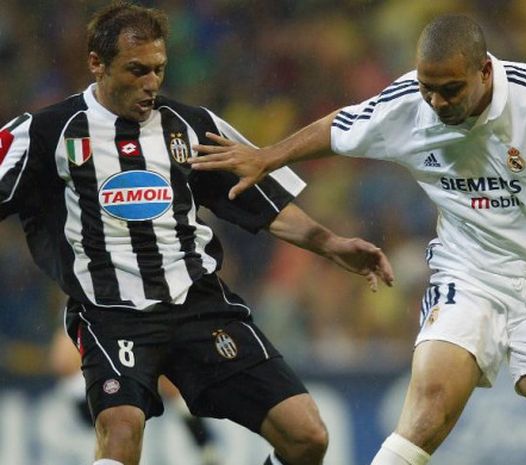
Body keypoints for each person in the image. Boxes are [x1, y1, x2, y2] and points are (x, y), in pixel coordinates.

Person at [190, 13, 526, 465]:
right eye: (427, 88)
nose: (435, 102)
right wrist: (268, 156)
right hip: (468, 273)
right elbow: (340, 126)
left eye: (450, 89)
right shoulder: (409, 102)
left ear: (485, 71)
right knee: (428, 411)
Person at [0, 2, 394, 465]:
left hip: (199, 305)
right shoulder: (44, 133)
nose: (150, 83)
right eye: (136, 70)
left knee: (307, 437)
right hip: (111, 314)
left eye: (158, 70)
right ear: (96, 64)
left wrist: (332, 244)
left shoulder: (192, 126)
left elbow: (264, 203)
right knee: (120, 432)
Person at [49, 327, 222, 465]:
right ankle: (205, 447)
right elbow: (62, 360)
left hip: (125, 383)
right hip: (94, 392)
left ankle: (206, 448)